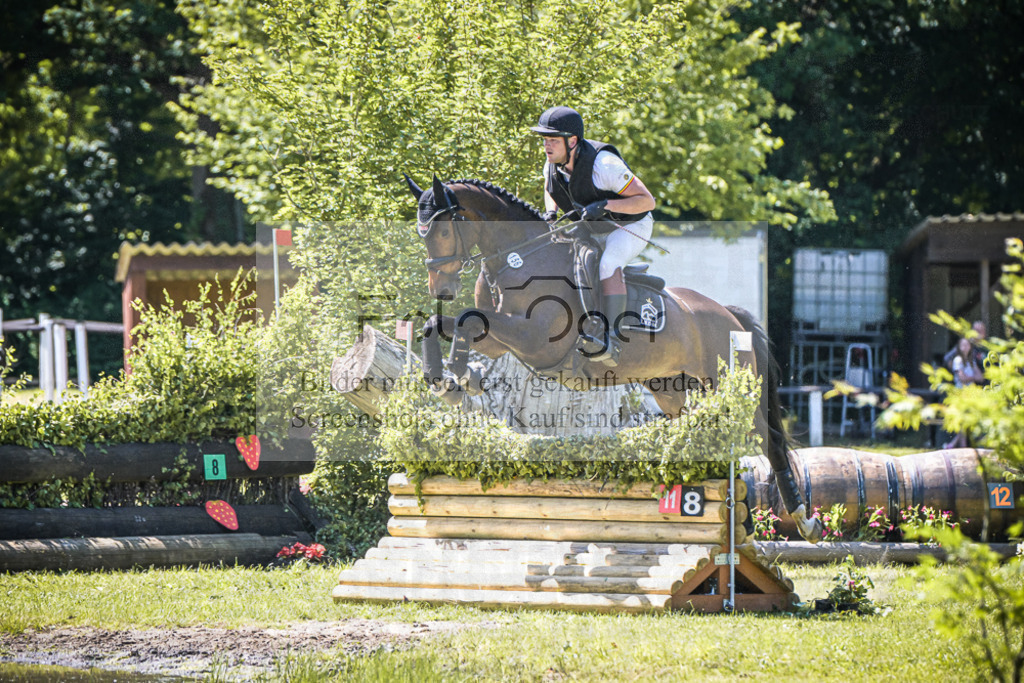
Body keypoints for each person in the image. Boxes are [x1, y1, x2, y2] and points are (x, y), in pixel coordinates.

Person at [529, 106, 656, 366]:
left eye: (552, 140)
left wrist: (607, 205)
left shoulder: (604, 164)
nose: (546, 146)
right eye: (545, 140)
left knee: (609, 263)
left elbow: (647, 201)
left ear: (572, 140)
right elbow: (550, 189)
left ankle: (611, 337)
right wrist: (550, 214)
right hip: (592, 228)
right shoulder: (552, 164)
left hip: (630, 226)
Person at [944, 337, 983, 449]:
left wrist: (971, 378)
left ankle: (953, 445)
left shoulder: (972, 361)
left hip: (971, 394)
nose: (965, 347)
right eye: (963, 345)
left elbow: (980, 377)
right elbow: (962, 378)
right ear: (959, 348)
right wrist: (973, 378)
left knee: (968, 420)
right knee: (963, 420)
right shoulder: (958, 360)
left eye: (967, 345)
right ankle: (962, 446)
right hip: (961, 394)